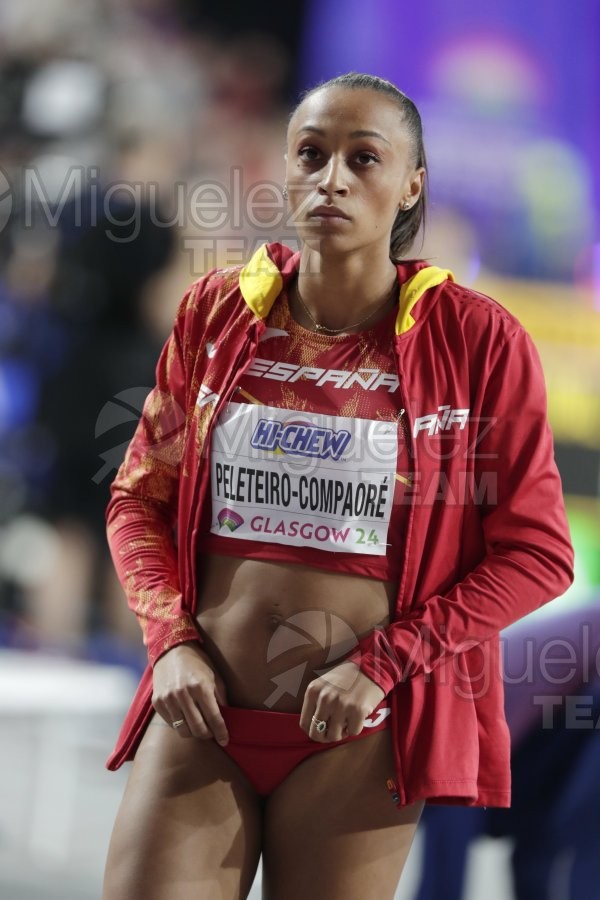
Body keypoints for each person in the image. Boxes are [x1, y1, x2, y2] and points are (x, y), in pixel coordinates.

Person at [102, 73, 574, 900]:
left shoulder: (478, 341)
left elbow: (537, 553)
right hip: (202, 711)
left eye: (364, 159)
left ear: (411, 184)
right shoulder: (218, 313)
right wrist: (170, 640)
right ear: (284, 167)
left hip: (361, 732)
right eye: (312, 155)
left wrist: (387, 663)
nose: (333, 180)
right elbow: (139, 498)